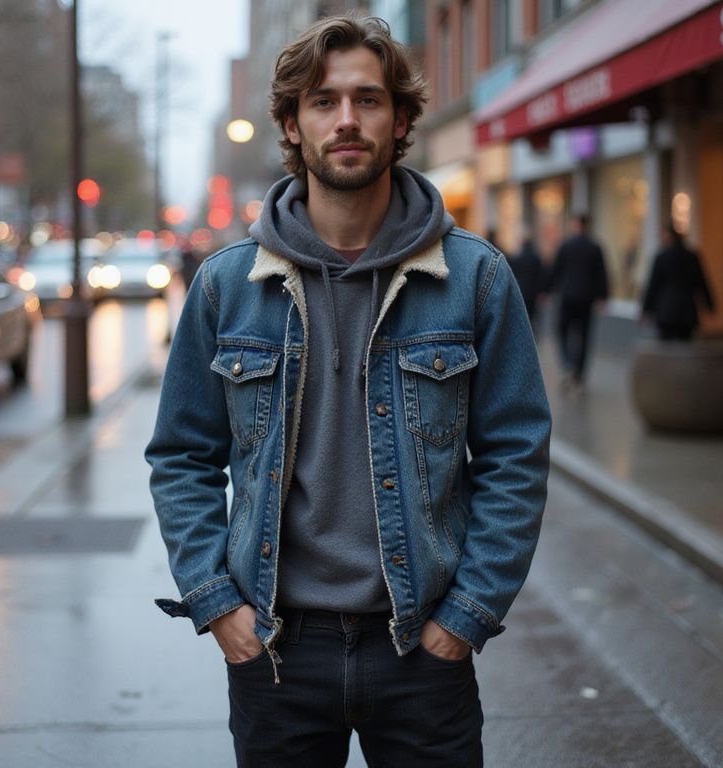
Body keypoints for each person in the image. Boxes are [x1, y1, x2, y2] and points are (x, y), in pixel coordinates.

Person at [145, 14, 551, 767]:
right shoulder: (227, 287)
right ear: (292, 126)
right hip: (275, 650)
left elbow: (515, 456)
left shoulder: (474, 278)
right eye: (323, 102)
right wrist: (217, 605)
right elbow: (180, 457)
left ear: (401, 121)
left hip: (422, 649)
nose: (347, 120)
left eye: (368, 99)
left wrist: (465, 616)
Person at [547, 213, 609, 389]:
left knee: (562, 330)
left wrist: (548, 291)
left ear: (575, 225)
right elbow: (601, 274)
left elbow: (555, 270)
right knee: (585, 334)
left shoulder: (566, 246)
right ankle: (579, 372)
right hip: (586, 298)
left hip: (567, 297)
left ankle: (568, 364)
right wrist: (602, 297)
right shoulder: (595, 247)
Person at [642, 223, 715, 341]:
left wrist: (646, 309)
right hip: (687, 311)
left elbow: (653, 285)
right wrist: (710, 306)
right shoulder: (691, 257)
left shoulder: (662, 257)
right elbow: (702, 283)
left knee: (666, 347)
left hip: (666, 311)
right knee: (685, 346)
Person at [507, 227, 544, 327]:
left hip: (521, 291)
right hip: (533, 292)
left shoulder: (517, 257)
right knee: (531, 317)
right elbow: (541, 276)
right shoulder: (536, 258)